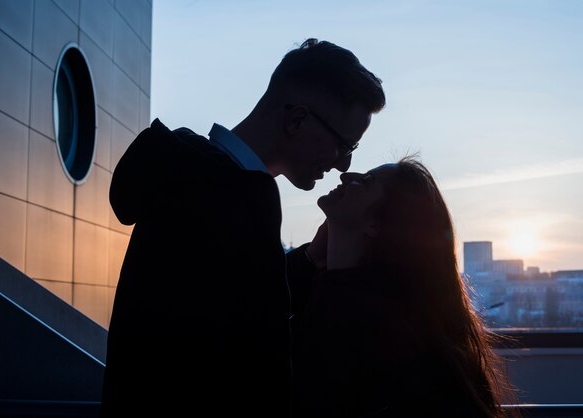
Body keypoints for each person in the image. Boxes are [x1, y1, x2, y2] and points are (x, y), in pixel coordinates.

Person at [100, 38, 386, 418]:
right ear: (297, 120)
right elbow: (248, 356)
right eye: (344, 145)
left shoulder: (193, 180)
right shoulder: (236, 195)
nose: (343, 165)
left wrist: (306, 262)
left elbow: (218, 312)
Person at [291, 156, 518, 418]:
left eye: (365, 181)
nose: (345, 176)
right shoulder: (363, 309)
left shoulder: (367, 325)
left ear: (376, 224)